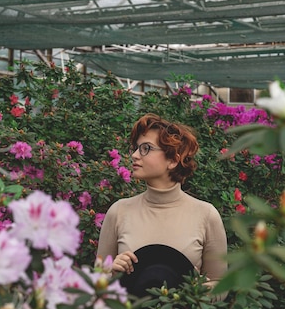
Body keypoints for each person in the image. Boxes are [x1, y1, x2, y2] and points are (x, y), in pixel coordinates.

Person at [97, 113, 228, 296]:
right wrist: (110, 273)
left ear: (173, 160)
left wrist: (199, 291)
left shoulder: (206, 215)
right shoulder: (119, 212)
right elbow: (95, 282)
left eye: (146, 148)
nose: (134, 155)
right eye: (136, 148)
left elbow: (221, 286)